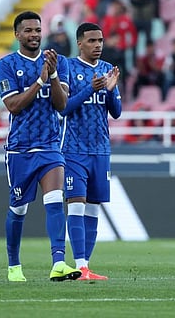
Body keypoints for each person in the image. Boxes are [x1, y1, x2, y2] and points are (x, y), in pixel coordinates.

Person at [0, 10, 81, 282]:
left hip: (50, 145)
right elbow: (13, 105)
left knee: (56, 200)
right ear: (17, 34)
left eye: (37, 30)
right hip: (20, 148)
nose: (34, 35)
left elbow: (62, 104)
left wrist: (53, 75)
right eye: (28, 30)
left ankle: (58, 262)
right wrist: (41, 79)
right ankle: (13, 266)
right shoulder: (6, 64)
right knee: (18, 209)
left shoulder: (59, 62)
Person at [60, 22, 121, 280]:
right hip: (73, 149)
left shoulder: (107, 69)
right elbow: (63, 107)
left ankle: (87, 266)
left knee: (94, 207)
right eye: (92, 41)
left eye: (100, 41)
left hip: (101, 150)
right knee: (76, 204)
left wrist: (108, 91)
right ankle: (80, 264)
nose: (98, 45)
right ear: (80, 43)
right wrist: (90, 89)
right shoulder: (69, 67)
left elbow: (116, 112)